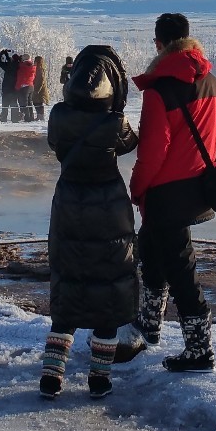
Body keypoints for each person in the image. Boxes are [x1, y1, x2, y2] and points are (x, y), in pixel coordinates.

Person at [40, 45, 139, 400]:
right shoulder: (115, 123)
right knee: (109, 288)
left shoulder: (58, 116)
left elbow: (56, 144)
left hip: (68, 201)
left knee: (68, 282)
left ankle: (52, 374)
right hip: (108, 206)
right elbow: (130, 144)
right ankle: (99, 378)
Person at [126, 13, 216, 372]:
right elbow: (211, 133)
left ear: (159, 43)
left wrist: (138, 188)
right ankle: (149, 326)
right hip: (195, 183)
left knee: (181, 270)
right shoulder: (211, 81)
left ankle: (199, 351)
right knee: (152, 250)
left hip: (166, 190)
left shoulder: (160, 89)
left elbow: (153, 150)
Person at [0, 49, 21, 122]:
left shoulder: (8, 66)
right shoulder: (19, 66)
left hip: (6, 88)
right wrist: (7, 56)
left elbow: (0, 63)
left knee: (5, 105)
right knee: (14, 104)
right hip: (15, 88)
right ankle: (15, 118)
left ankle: (3, 118)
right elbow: (12, 61)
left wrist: (1, 54)